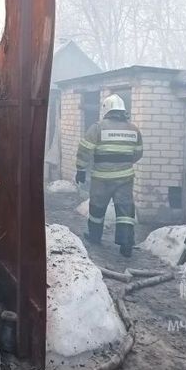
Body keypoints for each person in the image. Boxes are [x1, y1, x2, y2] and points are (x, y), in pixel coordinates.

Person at [75, 94, 143, 257]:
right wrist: (123, 163)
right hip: (125, 178)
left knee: (97, 208)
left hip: (102, 178)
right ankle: (126, 243)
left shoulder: (98, 127)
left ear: (106, 109)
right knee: (125, 211)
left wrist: (81, 170)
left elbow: (85, 150)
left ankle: (95, 237)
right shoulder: (134, 129)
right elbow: (138, 153)